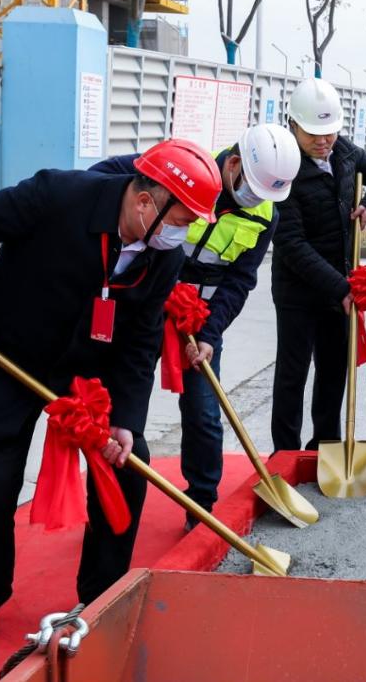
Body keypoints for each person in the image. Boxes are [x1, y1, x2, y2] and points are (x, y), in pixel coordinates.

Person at [0, 139, 221, 650]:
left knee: (126, 462)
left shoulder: (163, 254)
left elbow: (141, 340)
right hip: (7, 357)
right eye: (183, 217)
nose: (186, 230)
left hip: (87, 369)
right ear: (147, 201)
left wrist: (126, 419)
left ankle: (102, 594)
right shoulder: (59, 195)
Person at [91, 125, 301, 527]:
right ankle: (104, 502)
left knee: (204, 411)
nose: (256, 199)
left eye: (265, 195)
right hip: (144, 306)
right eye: (252, 189)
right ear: (234, 164)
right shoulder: (185, 173)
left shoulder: (265, 214)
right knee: (120, 402)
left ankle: (202, 502)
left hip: (198, 319)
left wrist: (209, 333)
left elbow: (241, 278)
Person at [270, 78, 366, 452]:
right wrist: (342, 288)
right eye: (313, 134)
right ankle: (286, 452)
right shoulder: (283, 167)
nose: (323, 141)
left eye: (330, 132)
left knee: (333, 370)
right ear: (293, 125)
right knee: (293, 373)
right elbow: (291, 243)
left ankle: (325, 446)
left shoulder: (345, 153)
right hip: (299, 291)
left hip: (339, 285)